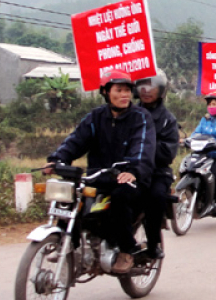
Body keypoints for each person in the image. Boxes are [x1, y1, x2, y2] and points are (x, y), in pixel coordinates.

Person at [44, 69, 156, 274]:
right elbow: (76, 140)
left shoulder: (140, 117)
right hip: (98, 176)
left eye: (127, 91)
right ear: (105, 92)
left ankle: (126, 249)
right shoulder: (95, 117)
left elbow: (142, 147)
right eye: (119, 90)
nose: (124, 95)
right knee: (68, 197)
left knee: (121, 197)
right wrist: (57, 160)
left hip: (130, 178)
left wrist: (133, 170)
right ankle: (69, 244)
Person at [135, 69, 179, 259]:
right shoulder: (128, 114)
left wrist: (145, 149)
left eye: (151, 85)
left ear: (161, 91)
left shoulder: (167, 120)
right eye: (142, 84)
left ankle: (153, 244)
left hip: (156, 171)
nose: (146, 89)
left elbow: (168, 153)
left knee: (155, 197)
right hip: (127, 169)